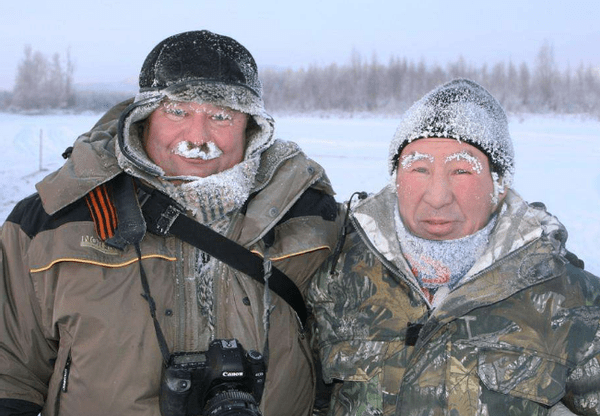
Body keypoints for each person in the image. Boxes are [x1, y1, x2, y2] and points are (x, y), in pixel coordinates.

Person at [0, 30, 341, 416]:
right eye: (178, 112)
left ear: (252, 127)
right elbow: (9, 366)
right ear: (144, 119)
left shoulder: (311, 216)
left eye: (221, 116)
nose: (197, 137)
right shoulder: (49, 221)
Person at [307, 78, 600, 416]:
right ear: (396, 179)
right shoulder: (337, 276)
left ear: (499, 185)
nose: (437, 196)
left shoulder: (573, 301)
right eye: (419, 168)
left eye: (461, 170)